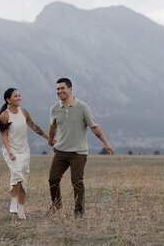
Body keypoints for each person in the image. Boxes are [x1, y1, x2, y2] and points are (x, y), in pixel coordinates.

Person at [47, 78, 115, 218]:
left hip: (78, 153)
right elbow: (53, 126)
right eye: (57, 89)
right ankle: (57, 205)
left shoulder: (83, 107)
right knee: (53, 179)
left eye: (62, 88)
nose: (59, 91)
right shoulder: (55, 108)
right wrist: (50, 139)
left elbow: (94, 127)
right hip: (61, 151)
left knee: (76, 181)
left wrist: (106, 144)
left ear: (70, 89)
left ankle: (79, 211)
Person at [0, 88, 49, 219]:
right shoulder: (4, 115)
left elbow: (34, 126)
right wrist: (10, 152)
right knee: (17, 174)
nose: (19, 98)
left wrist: (48, 138)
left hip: (24, 151)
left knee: (23, 180)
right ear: (8, 100)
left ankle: (21, 210)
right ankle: (13, 202)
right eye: (15, 96)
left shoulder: (24, 112)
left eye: (19, 96)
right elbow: (4, 136)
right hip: (11, 151)